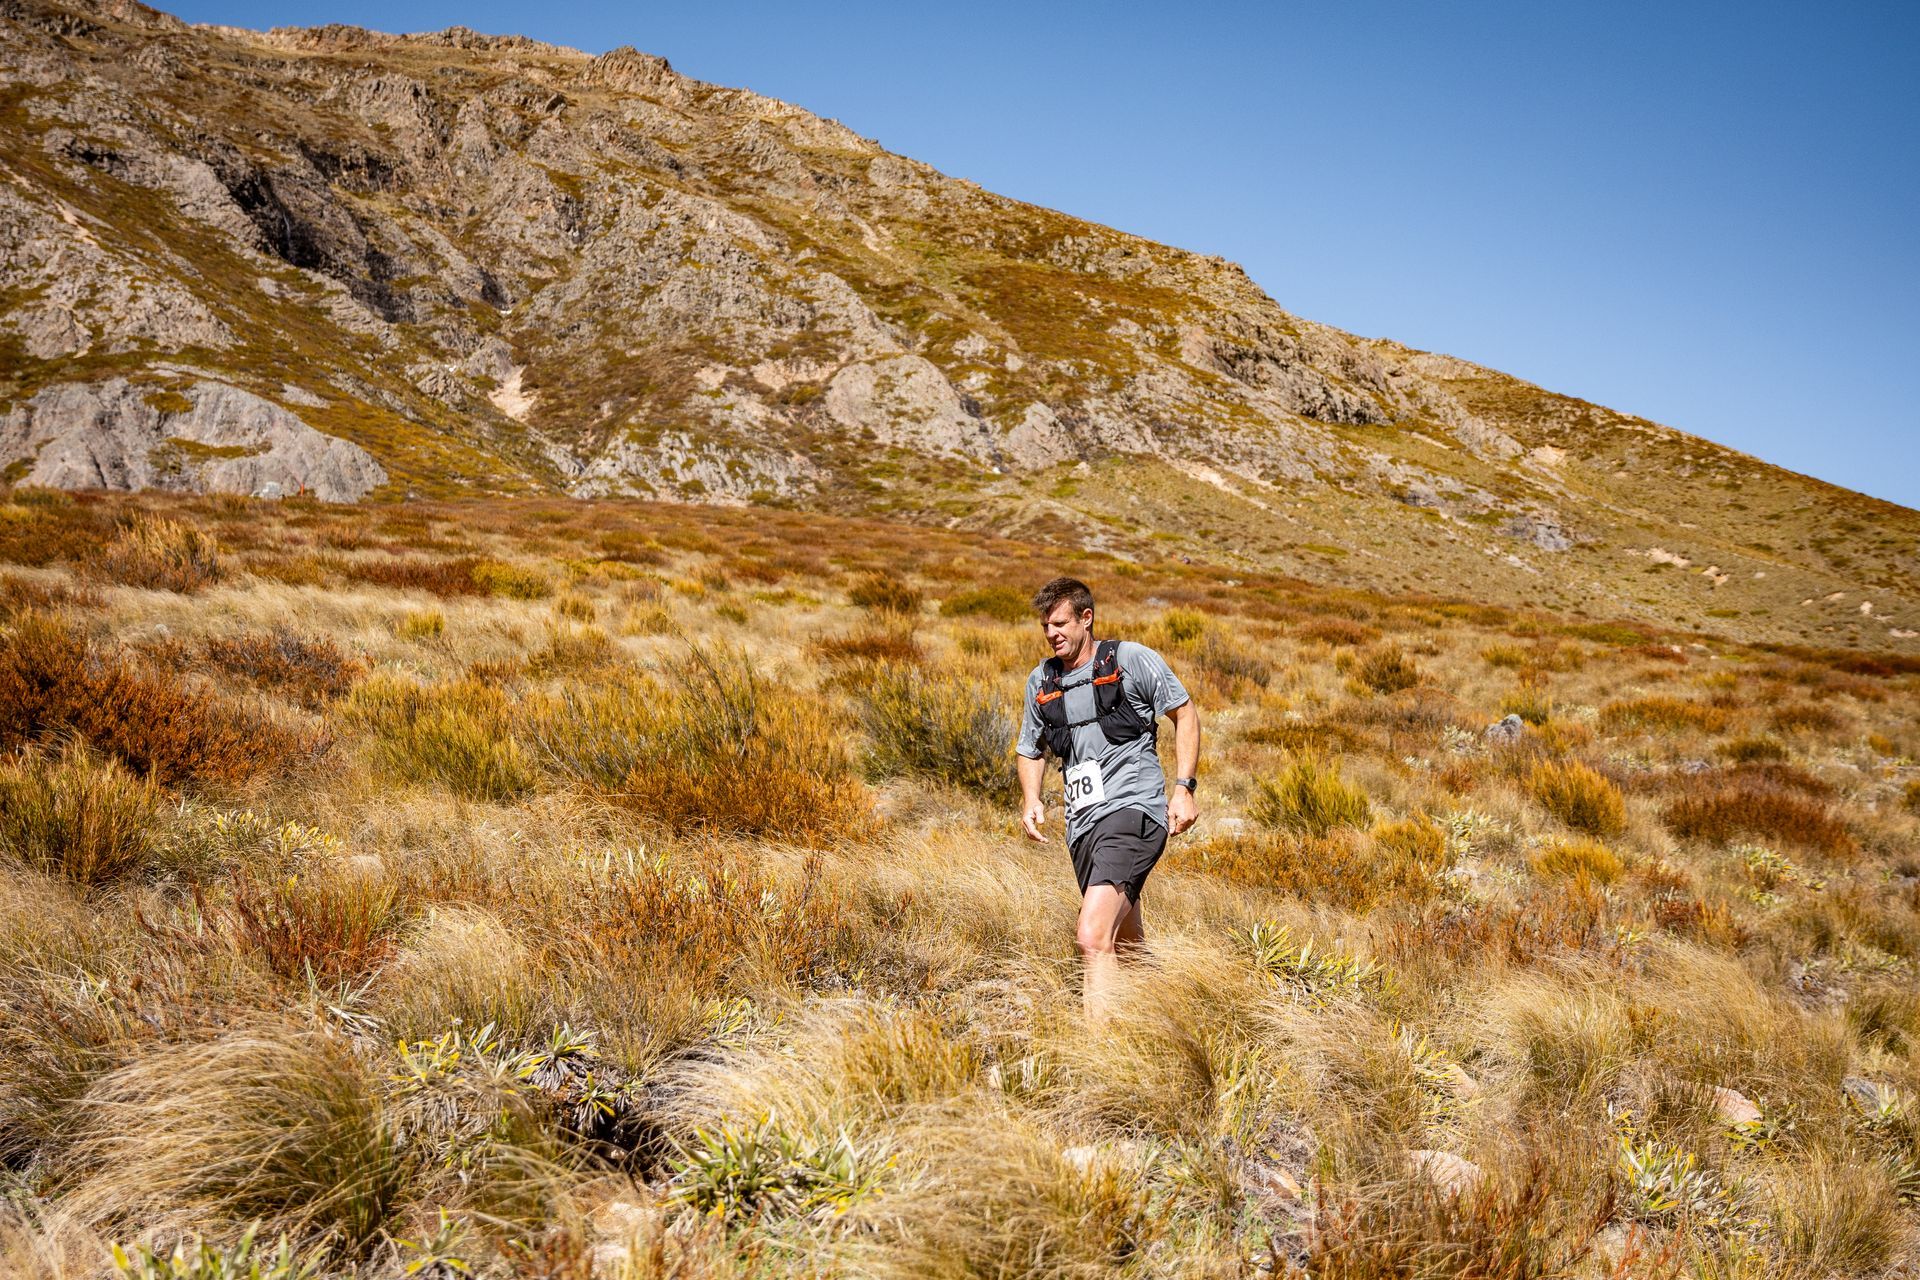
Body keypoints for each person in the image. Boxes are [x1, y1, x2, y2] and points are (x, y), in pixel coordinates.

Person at [1015, 576, 1200, 1020]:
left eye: (1060, 623)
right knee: (1127, 943)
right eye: (1045, 626)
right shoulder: (1042, 680)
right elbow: (1029, 748)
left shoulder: (1131, 660)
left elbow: (1185, 713)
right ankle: (1171, 1018)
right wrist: (1031, 798)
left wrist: (1183, 789)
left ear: (1086, 618)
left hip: (1132, 812)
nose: (1051, 633)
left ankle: (1101, 1057)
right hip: (1082, 827)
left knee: (1092, 936)